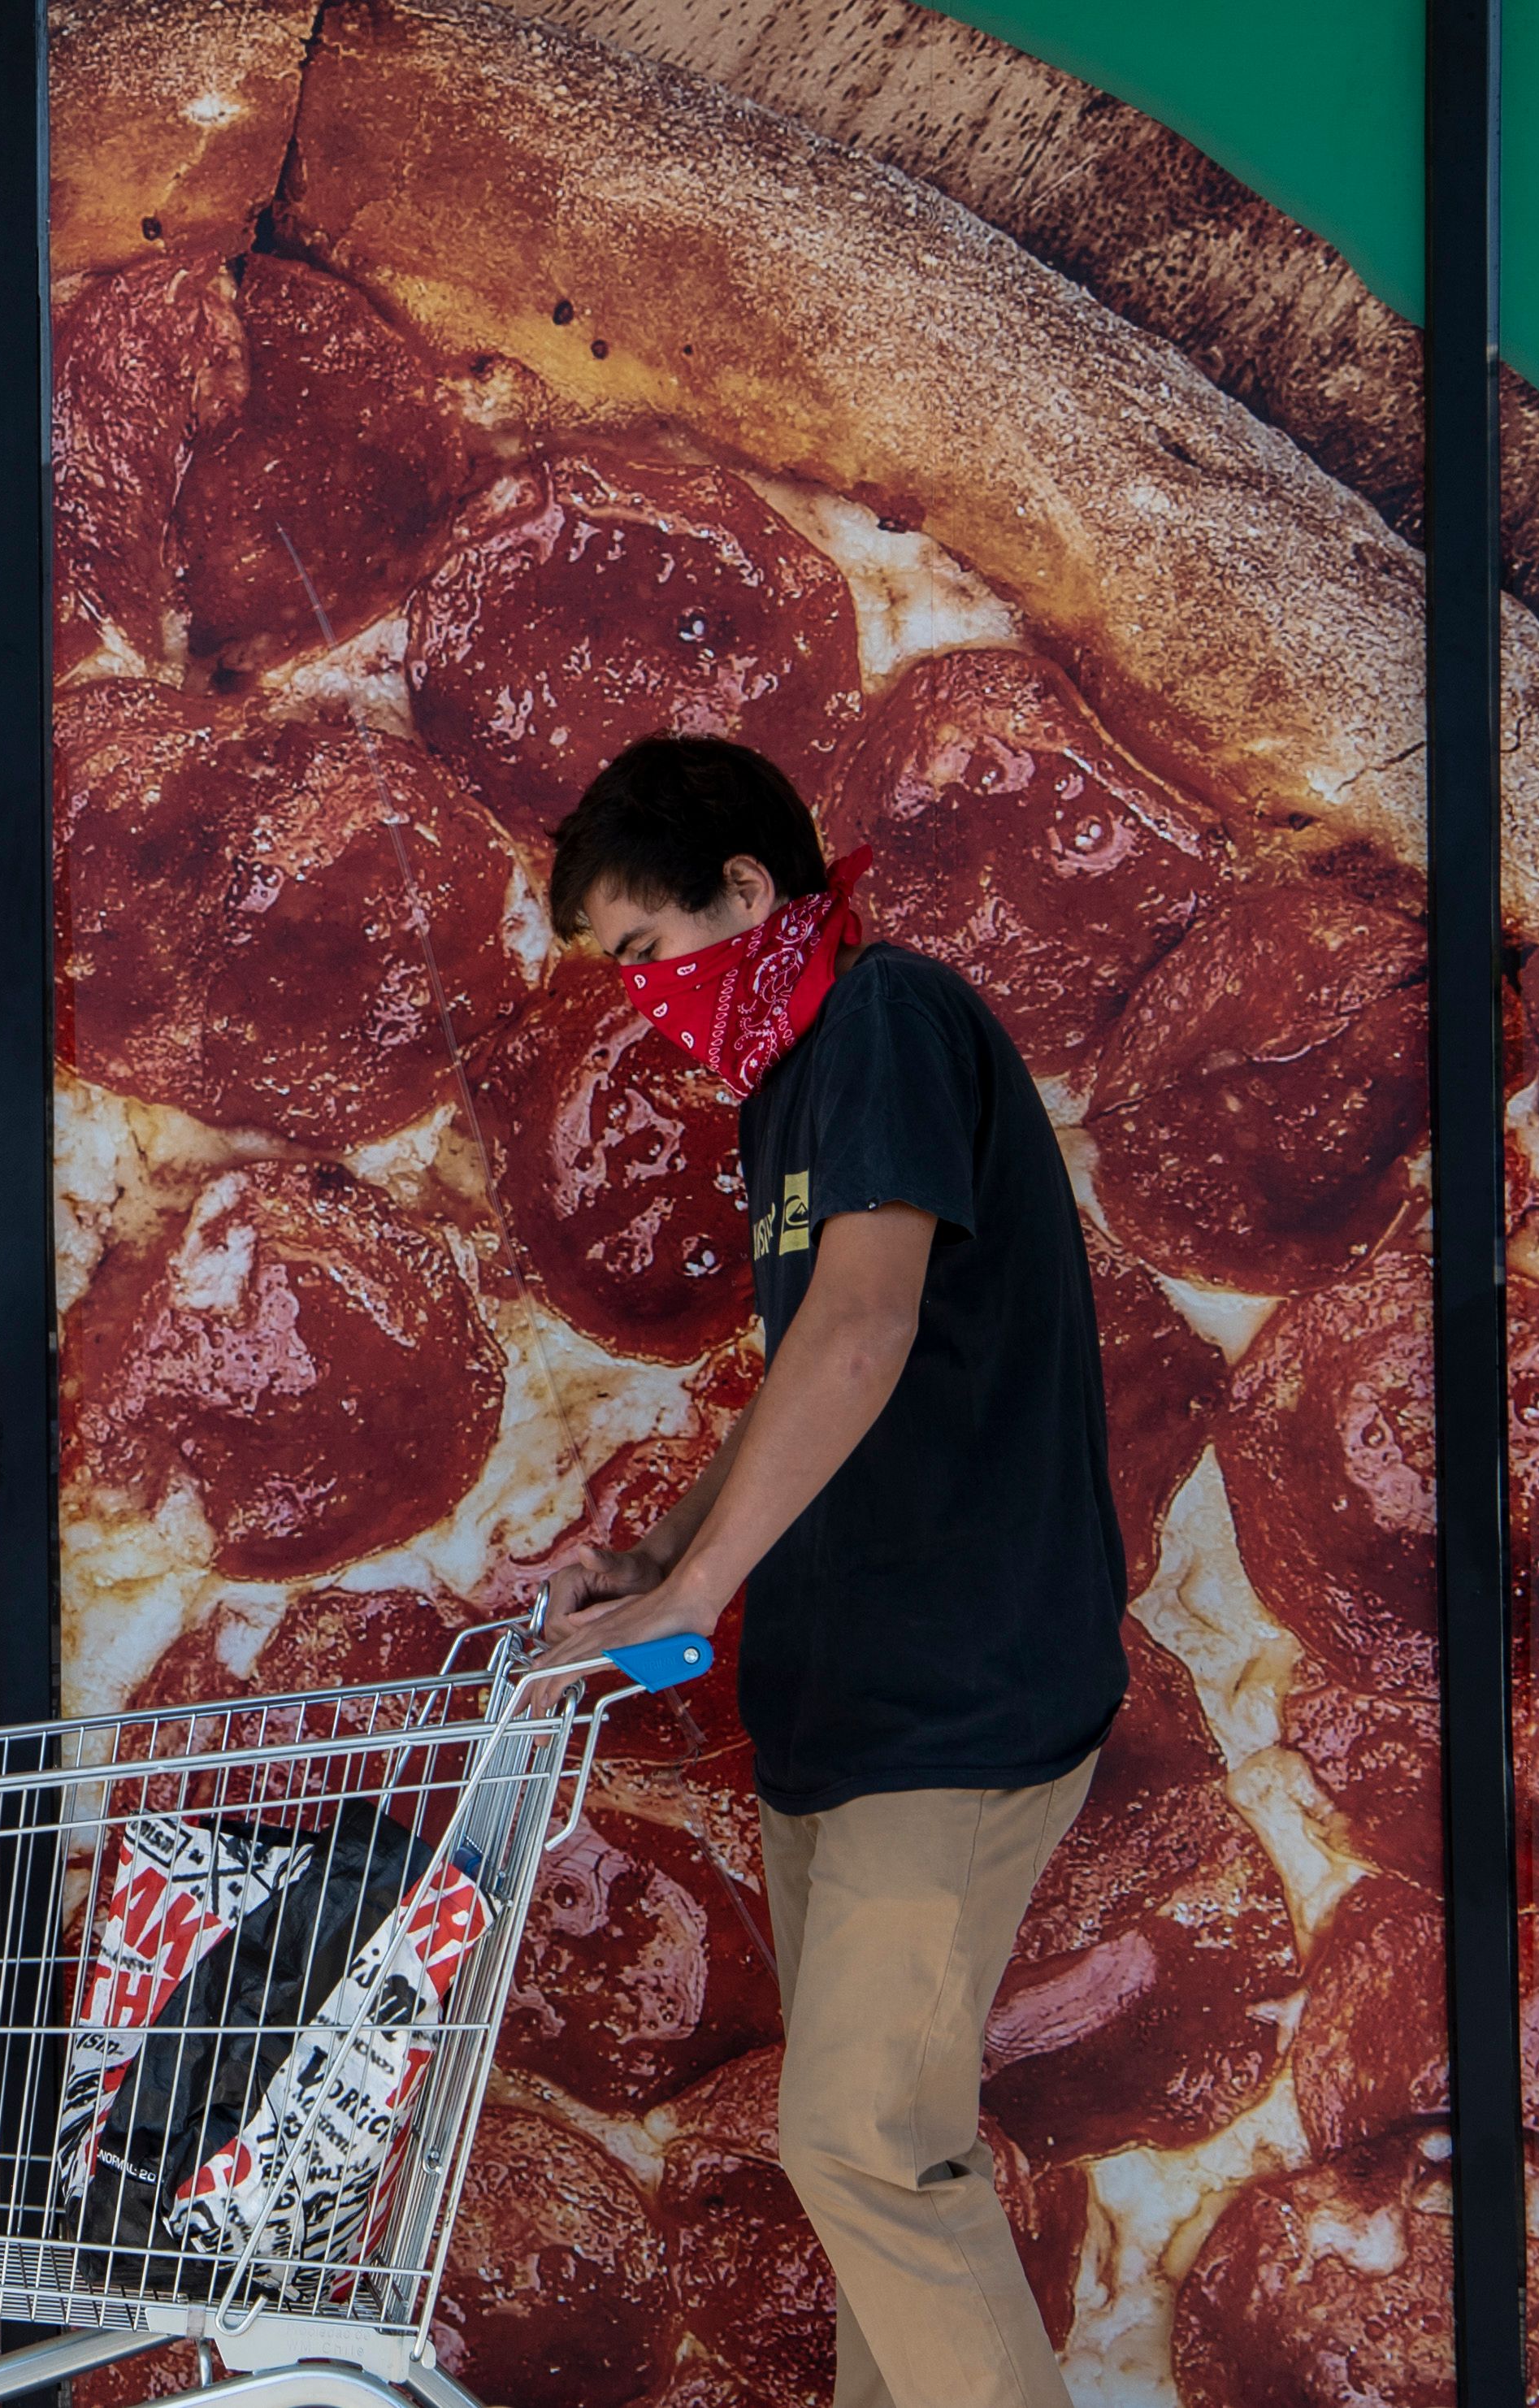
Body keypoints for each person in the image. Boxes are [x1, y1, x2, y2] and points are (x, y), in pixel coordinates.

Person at [522, 735, 1121, 2408]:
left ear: (748, 890)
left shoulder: (887, 1023)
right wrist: (658, 1553)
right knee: (887, 2182)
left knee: (862, 2145)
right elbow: (806, 1365)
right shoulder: (797, 1081)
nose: (644, 1002)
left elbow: (864, 1326)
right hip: (847, 1698)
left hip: (966, 1693)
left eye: (647, 952)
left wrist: (689, 1601)